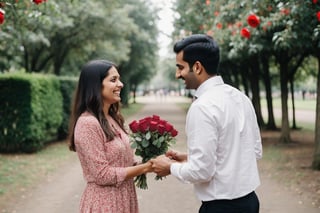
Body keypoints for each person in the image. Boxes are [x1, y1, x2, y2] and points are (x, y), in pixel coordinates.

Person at [151, 34, 263, 213]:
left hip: (221, 208)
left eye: (180, 67)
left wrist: (170, 167)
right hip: (250, 202)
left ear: (197, 67)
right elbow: (253, 151)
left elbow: (202, 172)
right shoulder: (241, 98)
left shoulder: (202, 106)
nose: (177, 74)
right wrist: (191, 158)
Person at [68, 59, 152, 213]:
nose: (121, 84)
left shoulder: (113, 118)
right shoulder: (88, 124)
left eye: (119, 79)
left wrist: (150, 162)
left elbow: (122, 163)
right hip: (105, 203)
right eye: (113, 80)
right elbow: (102, 175)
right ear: (95, 85)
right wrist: (145, 168)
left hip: (124, 198)